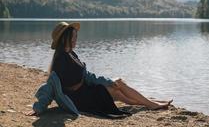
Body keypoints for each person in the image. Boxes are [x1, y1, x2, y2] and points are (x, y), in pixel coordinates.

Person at [26, 22, 172, 117]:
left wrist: (106, 81)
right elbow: (49, 87)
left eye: (76, 36)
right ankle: (151, 104)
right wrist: (38, 108)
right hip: (80, 99)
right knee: (117, 91)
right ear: (66, 38)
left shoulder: (71, 54)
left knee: (118, 84)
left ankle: (152, 102)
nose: (76, 39)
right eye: (73, 37)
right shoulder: (61, 59)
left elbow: (87, 75)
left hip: (87, 90)